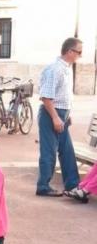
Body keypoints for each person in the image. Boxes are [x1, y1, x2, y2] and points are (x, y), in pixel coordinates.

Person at [36, 38, 82, 197]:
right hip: (51, 114)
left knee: (66, 150)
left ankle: (72, 185)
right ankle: (43, 186)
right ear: (70, 51)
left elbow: (63, 95)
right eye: (79, 52)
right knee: (49, 151)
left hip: (61, 114)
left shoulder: (66, 69)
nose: (80, 56)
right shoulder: (54, 69)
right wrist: (56, 117)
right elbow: (46, 97)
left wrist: (67, 115)